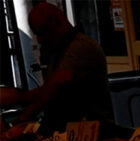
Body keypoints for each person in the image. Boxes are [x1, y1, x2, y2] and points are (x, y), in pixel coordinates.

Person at [17, 3, 113, 131]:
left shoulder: (80, 47)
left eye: (42, 32)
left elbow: (58, 83)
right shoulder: (59, 51)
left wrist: (29, 111)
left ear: (56, 23)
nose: (39, 39)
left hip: (93, 135)